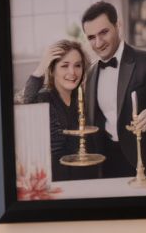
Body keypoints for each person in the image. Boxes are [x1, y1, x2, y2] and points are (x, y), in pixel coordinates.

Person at [80, 0, 146, 178]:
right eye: (91, 37)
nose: (98, 43)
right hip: (106, 165)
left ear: (118, 25)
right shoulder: (90, 73)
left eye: (104, 33)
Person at [19, 39, 96, 181]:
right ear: (52, 70)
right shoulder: (44, 98)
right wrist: (40, 69)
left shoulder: (82, 99)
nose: (72, 72)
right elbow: (23, 103)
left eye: (77, 65)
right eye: (64, 66)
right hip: (55, 182)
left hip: (84, 180)